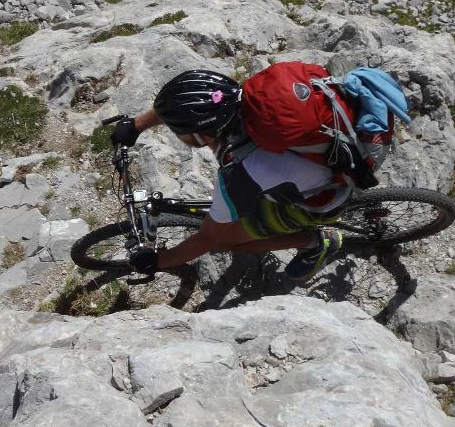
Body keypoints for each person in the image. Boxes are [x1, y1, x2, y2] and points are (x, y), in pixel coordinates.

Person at [109, 69, 353, 282]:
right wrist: (136, 125)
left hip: (319, 200)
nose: (176, 133)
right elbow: (187, 108)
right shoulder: (242, 98)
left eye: (178, 131)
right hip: (323, 156)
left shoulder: (241, 174)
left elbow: (207, 239)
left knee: (227, 242)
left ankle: (316, 242)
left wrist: (158, 262)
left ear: (201, 136)